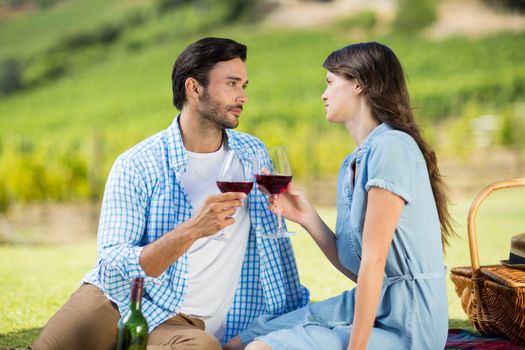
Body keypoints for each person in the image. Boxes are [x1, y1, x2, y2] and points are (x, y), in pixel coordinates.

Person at [30, 37, 308, 350]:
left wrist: (290, 313)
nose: (242, 96)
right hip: (116, 301)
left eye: (244, 85)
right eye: (231, 84)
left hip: (185, 326)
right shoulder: (138, 164)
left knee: (203, 348)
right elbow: (112, 260)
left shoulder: (252, 153)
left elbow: (276, 246)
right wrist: (192, 230)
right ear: (194, 88)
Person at [225, 41, 455, 350]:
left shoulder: (392, 147)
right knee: (243, 340)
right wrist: (308, 218)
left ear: (359, 84)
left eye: (330, 83)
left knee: (262, 349)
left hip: (409, 322)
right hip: (370, 304)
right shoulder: (352, 162)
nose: (324, 94)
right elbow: (359, 270)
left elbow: (373, 263)